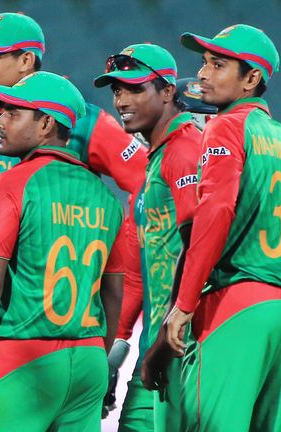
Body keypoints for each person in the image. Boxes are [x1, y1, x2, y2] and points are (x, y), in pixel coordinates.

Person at [0, 12, 147, 402]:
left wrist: (122, 250)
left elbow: (147, 183)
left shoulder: (76, 120)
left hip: (63, 317)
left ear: (26, 60)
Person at [0, 71, 124, 432]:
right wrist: (101, 357)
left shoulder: (12, 183)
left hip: (25, 358)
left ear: (46, 124)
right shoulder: (106, 197)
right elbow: (114, 291)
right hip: (88, 361)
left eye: (14, 113)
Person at [160, 24, 281, 431]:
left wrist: (183, 305)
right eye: (203, 63)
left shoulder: (226, 126)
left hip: (235, 305)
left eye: (218, 65)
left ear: (252, 78)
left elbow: (215, 212)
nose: (202, 74)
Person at [94, 44, 203, 432]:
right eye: (117, 90)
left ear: (168, 92)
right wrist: (113, 354)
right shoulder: (153, 166)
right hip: (156, 350)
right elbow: (139, 273)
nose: (121, 99)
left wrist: (175, 324)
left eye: (135, 89)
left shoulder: (185, 151)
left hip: (190, 349)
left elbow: (200, 245)